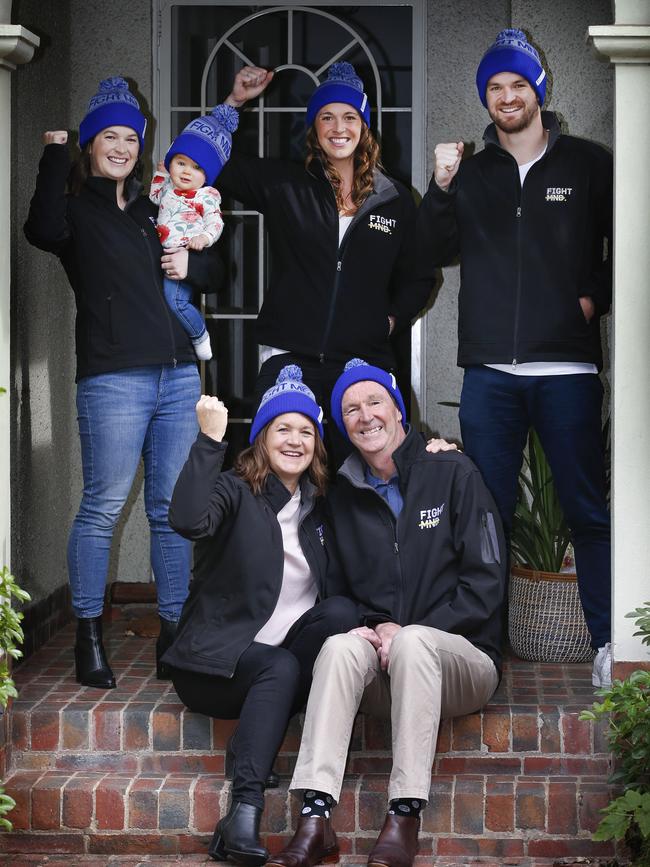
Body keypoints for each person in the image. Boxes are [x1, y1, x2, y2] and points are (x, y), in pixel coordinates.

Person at [417, 29, 613, 687]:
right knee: (488, 515)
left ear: (538, 90)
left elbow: (630, 236)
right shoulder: (471, 173)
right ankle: (484, 650)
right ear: (487, 97)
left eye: (517, 84)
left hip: (566, 370)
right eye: (495, 87)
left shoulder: (588, 164)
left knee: (586, 508)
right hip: (491, 374)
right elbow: (429, 249)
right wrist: (441, 185)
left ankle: (610, 642)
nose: (507, 96)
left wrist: (592, 299)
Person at [24, 76, 222, 689]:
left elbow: (212, 264)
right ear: (90, 144)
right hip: (113, 378)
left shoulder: (151, 207)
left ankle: (172, 632)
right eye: (108, 136)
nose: (121, 147)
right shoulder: (75, 211)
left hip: (177, 379)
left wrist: (197, 262)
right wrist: (56, 154)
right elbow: (39, 228)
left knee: (168, 512)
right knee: (102, 508)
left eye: (130, 138)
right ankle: (88, 635)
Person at [268, 358, 506, 867]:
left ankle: (404, 814)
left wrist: (410, 632)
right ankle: (314, 817)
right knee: (337, 646)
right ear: (343, 425)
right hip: (386, 666)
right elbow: (337, 592)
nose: (364, 415)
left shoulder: (452, 472)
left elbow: (485, 583)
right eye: (350, 409)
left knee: (416, 641)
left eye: (375, 401)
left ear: (398, 409)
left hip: (462, 663)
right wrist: (375, 629)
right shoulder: (341, 496)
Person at [162, 364, 359, 865]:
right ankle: (243, 810)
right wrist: (209, 441)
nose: (295, 441)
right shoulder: (234, 491)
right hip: (214, 665)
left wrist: (439, 454)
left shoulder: (321, 504)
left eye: (306, 431)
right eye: (282, 429)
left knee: (338, 613)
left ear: (317, 443)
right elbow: (186, 519)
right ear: (262, 438)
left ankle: (246, 751)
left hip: (278, 669)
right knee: (279, 665)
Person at [218, 62, 433, 462]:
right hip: (289, 360)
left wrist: (389, 320)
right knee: (276, 480)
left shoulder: (395, 199)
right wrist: (234, 103)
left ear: (364, 127)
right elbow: (206, 159)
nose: (339, 127)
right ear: (314, 128)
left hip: (363, 361)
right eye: (327, 117)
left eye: (350, 117)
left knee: (366, 483)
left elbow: (419, 278)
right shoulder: (286, 184)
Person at [149, 103, 239, 361]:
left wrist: (204, 238)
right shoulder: (168, 189)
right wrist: (159, 173)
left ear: (207, 175)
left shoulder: (206, 196)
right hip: (165, 254)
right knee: (166, 300)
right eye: (181, 163)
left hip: (184, 253)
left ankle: (200, 335)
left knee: (176, 301)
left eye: (197, 168)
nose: (187, 171)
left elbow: (215, 223)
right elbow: (155, 198)